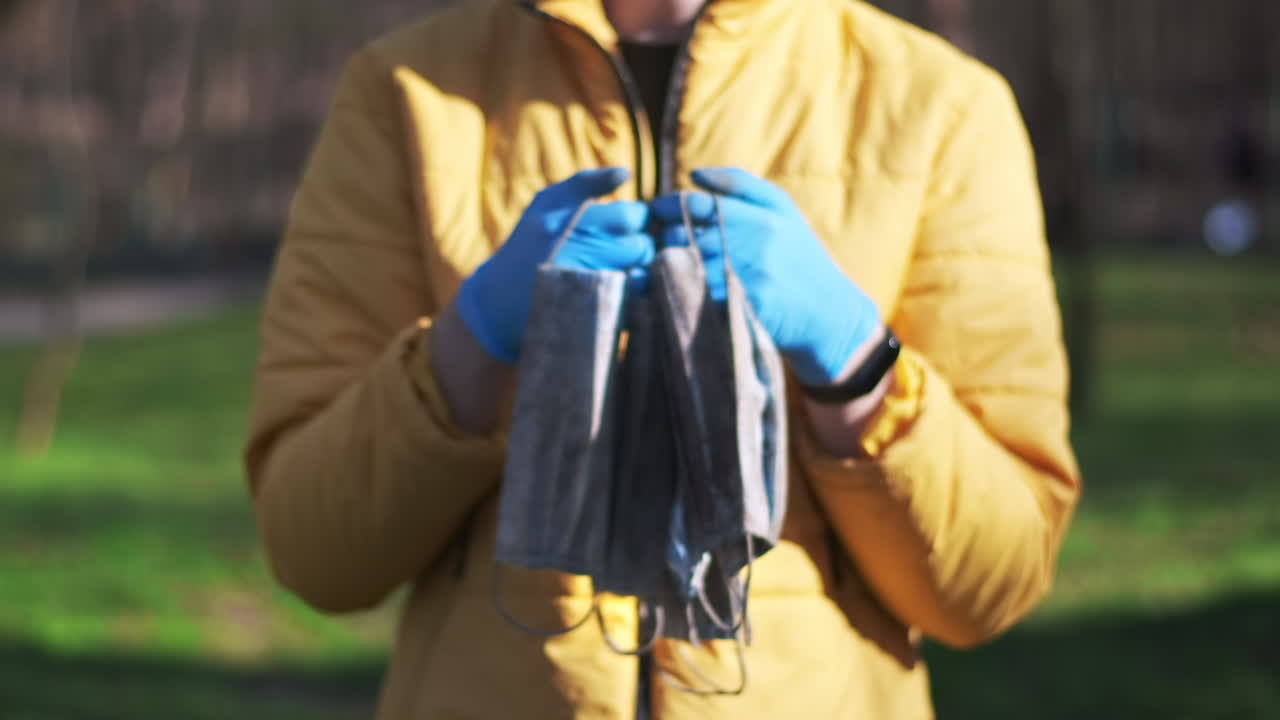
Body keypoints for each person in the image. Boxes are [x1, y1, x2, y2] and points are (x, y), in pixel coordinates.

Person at [244, 0, 1082, 717]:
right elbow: (316, 550)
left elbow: (991, 581)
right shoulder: (406, 95)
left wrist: (851, 356)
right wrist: (474, 338)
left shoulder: (938, 107)